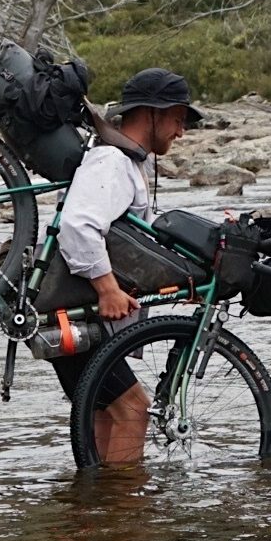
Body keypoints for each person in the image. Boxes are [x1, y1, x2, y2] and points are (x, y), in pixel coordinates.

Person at [51, 68, 203, 465]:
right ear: (152, 113)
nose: (181, 132)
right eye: (178, 119)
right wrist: (106, 287)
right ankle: (125, 519)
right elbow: (77, 225)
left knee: (107, 414)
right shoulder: (112, 162)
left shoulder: (127, 163)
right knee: (133, 410)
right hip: (72, 312)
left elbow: (138, 244)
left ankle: (99, 514)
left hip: (72, 315)